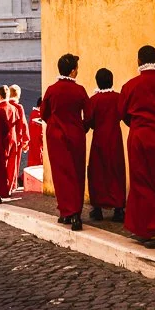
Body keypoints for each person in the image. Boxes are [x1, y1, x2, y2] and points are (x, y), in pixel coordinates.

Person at [121, 45, 155, 247]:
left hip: (139, 137)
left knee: (142, 184)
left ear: (138, 61)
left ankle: (153, 228)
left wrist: (137, 125)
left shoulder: (130, 86)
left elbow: (124, 113)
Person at [43, 54, 91, 230]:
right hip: (76, 134)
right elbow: (89, 114)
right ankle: (76, 213)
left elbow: (44, 113)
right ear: (72, 71)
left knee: (61, 174)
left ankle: (65, 211)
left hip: (55, 135)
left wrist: (54, 125)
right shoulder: (80, 90)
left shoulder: (51, 90)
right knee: (77, 173)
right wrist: (82, 127)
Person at [86, 66, 127, 222]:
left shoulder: (93, 100)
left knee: (98, 173)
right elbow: (124, 115)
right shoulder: (118, 98)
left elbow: (89, 121)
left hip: (98, 139)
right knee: (116, 170)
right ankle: (118, 209)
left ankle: (97, 209)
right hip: (115, 139)